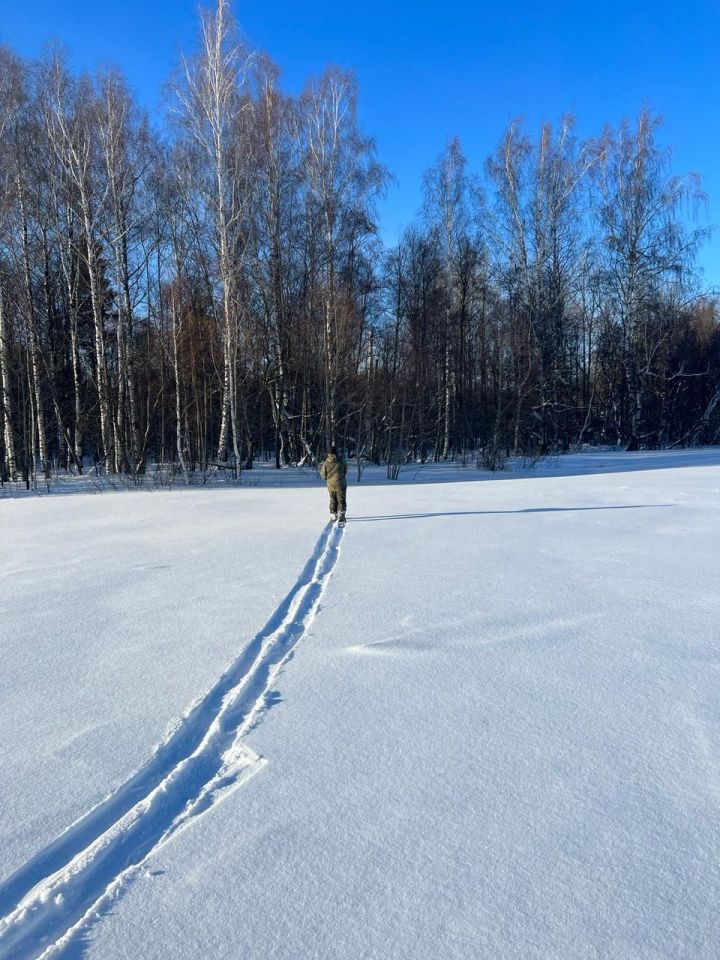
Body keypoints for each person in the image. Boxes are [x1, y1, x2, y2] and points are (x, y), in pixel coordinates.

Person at [320, 445, 347, 524]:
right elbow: (345, 470)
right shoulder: (341, 460)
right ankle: (341, 514)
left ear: (329, 453)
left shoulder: (326, 462)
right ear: (336, 452)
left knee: (332, 499)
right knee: (341, 499)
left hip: (330, 485)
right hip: (341, 484)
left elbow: (322, 474)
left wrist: (328, 479)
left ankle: (333, 513)